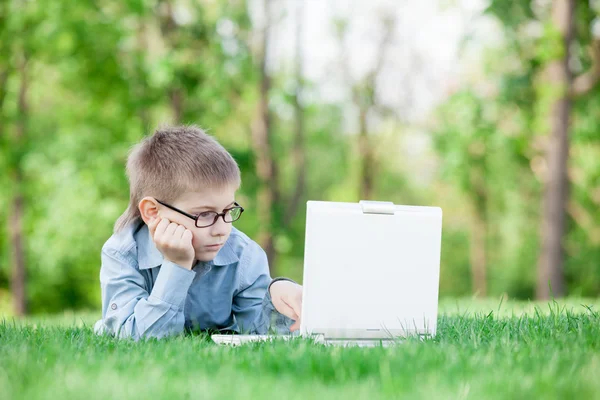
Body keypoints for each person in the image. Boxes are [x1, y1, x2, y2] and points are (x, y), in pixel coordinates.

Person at [93, 125, 303, 340]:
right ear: (153, 212)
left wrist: (277, 297)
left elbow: (260, 334)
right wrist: (176, 266)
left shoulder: (243, 254)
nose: (222, 230)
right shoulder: (122, 253)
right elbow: (136, 338)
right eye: (204, 214)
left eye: (228, 210)